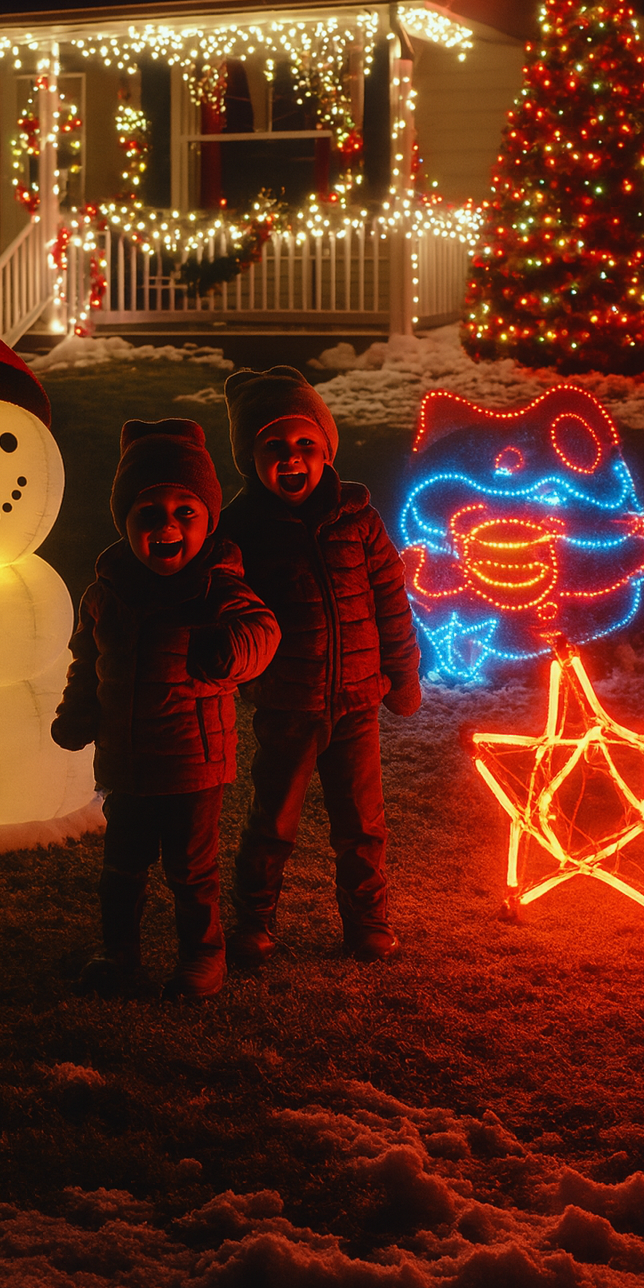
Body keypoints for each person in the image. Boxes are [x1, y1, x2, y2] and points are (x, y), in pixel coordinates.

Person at [52, 418, 280, 1002]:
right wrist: (79, 713)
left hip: (191, 763)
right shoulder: (106, 593)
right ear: (124, 520)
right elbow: (87, 661)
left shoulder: (217, 585)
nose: (167, 526)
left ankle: (202, 955)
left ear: (207, 520)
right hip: (126, 760)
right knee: (121, 866)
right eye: (148, 512)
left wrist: (230, 648)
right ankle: (118, 950)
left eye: (185, 512)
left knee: (191, 868)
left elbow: (263, 629)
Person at [220, 366, 421, 966]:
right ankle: (254, 921)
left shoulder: (358, 519)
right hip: (288, 704)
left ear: (326, 451)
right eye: (273, 446)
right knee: (273, 820)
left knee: (362, 823)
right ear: (250, 458)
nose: (291, 457)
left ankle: (368, 922)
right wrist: (249, 676)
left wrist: (403, 672)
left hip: (357, 701)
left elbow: (391, 600)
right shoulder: (243, 530)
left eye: (305, 443)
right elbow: (227, 607)